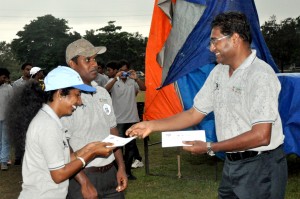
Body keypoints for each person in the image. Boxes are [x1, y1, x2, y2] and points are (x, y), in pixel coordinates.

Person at [126, 12, 287, 199]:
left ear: (234, 38)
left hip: (260, 166)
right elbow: (194, 113)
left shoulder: (260, 75)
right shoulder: (219, 72)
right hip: (232, 163)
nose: (211, 48)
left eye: (215, 41)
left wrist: (210, 146)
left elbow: (261, 135)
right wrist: (152, 125)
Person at [7, 66, 114, 199]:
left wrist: (88, 148)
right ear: (60, 94)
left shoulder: (52, 121)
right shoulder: (47, 125)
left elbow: (63, 159)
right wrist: (91, 153)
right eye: (77, 95)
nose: (80, 102)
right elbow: (59, 175)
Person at [61, 38, 127, 198]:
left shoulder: (102, 92)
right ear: (72, 64)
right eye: (87, 59)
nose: (94, 64)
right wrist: (83, 182)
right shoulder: (64, 97)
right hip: (80, 176)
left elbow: (112, 131)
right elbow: (62, 145)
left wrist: (121, 167)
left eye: (95, 59)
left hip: (110, 173)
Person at [105, 59, 146, 179]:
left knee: (131, 147)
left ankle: (128, 171)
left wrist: (136, 78)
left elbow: (144, 88)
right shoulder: (112, 81)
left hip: (132, 118)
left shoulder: (132, 81)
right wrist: (115, 78)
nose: (124, 73)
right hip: (118, 120)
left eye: (126, 71)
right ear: (117, 71)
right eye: (121, 71)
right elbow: (105, 89)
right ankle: (119, 170)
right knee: (118, 147)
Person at [12, 62, 33, 165]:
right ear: (23, 70)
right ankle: (18, 157)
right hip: (20, 113)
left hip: (32, 113)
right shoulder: (16, 84)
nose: (29, 71)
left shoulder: (35, 82)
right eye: (27, 69)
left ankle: (28, 156)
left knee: (31, 135)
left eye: (30, 69)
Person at [0, 68, 13, 170]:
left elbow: (13, 103)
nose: (4, 79)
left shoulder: (8, 88)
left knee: (5, 140)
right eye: (3, 77)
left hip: (6, 118)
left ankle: (3, 161)